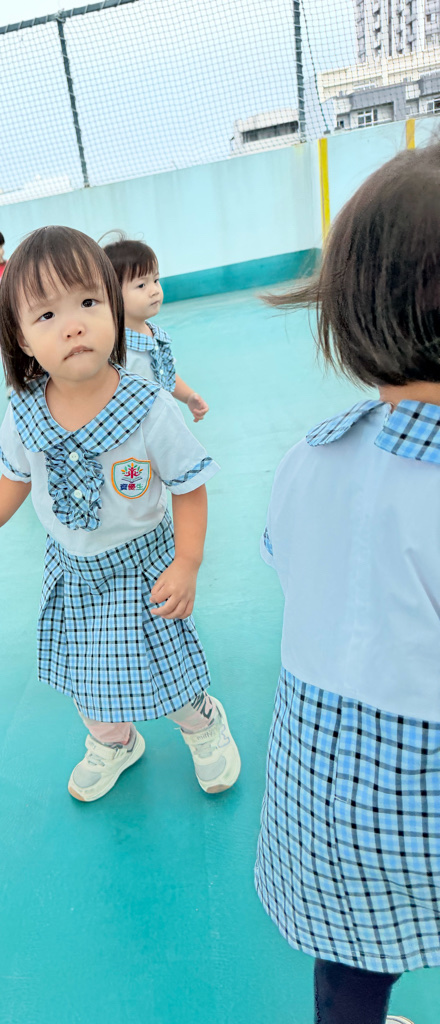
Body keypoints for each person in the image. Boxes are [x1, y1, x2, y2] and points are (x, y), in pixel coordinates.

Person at [0, 225, 240, 802]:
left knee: (166, 669)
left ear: (114, 311)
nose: (73, 325)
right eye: (46, 314)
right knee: (88, 676)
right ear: (20, 337)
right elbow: (17, 474)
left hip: (144, 568)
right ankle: (114, 741)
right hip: (73, 569)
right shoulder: (24, 410)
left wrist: (187, 562)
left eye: (87, 303)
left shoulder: (148, 407)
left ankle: (202, 722)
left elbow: (188, 486)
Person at [255, 144, 440, 1024]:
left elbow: (290, 566)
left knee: (352, 963)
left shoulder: (311, 454)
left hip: (321, 794)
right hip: (427, 789)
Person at [103, 235, 209, 422]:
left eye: (156, 280)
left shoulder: (155, 335)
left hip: (164, 423)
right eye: (141, 285)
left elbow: (165, 375)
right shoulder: (114, 348)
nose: (154, 290)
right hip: (137, 431)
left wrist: (189, 397)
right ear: (112, 294)